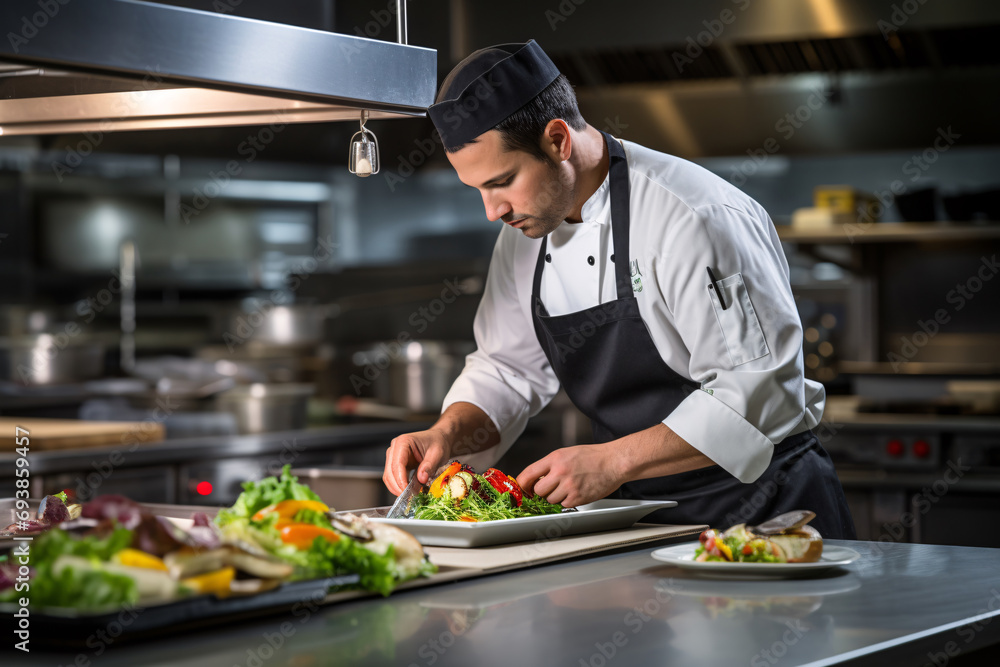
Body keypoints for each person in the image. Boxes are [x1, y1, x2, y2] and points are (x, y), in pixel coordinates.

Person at [382, 40, 854, 538]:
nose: (491, 210)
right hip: (641, 523)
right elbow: (508, 370)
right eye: (477, 189)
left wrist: (613, 461)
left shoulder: (694, 218)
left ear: (558, 140)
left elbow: (760, 392)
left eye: (502, 181)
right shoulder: (523, 235)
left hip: (763, 514)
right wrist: (446, 434)